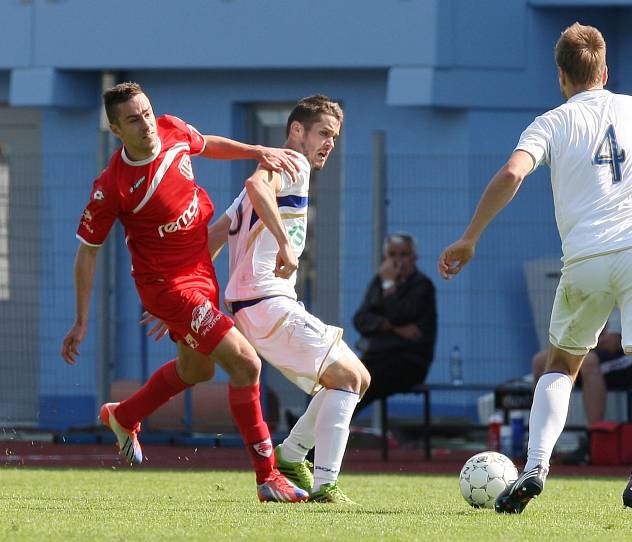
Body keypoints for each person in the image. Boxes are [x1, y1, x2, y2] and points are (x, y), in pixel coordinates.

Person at [439, 23, 632, 518]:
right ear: (605, 70)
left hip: (583, 262)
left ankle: (535, 466)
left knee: (560, 365)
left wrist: (470, 237)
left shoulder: (551, 123)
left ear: (560, 76)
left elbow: (512, 174)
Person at [60, 82, 308, 503]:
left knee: (198, 371)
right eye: (133, 120)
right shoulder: (112, 187)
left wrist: (257, 152)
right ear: (116, 130)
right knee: (246, 363)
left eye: (147, 113)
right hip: (168, 286)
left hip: (200, 272)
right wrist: (82, 318)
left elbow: (206, 143)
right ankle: (268, 476)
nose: (146, 125)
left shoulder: (171, 130)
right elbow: (87, 254)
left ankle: (124, 415)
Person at [202, 94, 369, 504]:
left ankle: (292, 455)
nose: (330, 143)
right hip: (266, 301)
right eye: (323, 133)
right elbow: (255, 184)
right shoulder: (291, 163)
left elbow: (214, 236)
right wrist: (285, 244)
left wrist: (188, 294)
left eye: (335, 136)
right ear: (296, 131)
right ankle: (324, 485)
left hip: (255, 306)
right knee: (349, 379)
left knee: (355, 378)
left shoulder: (279, 173)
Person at [352, 233, 437, 413]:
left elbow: (400, 314)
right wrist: (394, 328)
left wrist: (389, 286)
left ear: (414, 257)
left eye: (403, 254)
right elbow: (360, 320)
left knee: (360, 384)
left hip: (409, 360)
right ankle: (306, 426)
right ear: (385, 258)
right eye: (392, 255)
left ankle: (319, 433)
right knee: (343, 375)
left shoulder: (422, 286)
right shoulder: (379, 282)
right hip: (378, 356)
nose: (398, 260)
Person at [532, 313, 632, 426]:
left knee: (588, 361)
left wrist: (580, 342)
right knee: (540, 361)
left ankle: (595, 434)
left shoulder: (618, 302)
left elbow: (612, 343)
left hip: (631, 357)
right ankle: (542, 431)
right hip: (589, 347)